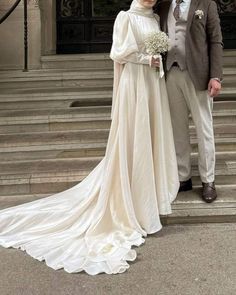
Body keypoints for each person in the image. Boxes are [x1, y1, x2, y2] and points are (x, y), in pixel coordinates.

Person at [0, 0, 179, 275]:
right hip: (135, 83)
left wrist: (156, 58)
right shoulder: (125, 17)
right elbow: (118, 52)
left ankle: (148, 193)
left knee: (151, 133)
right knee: (134, 134)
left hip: (152, 83)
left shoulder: (154, 19)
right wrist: (148, 58)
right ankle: (131, 201)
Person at [156, 0, 223, 203]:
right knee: (177, 129)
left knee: (204, 129)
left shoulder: (207, 4)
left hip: (199, 75)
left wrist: (216, 75)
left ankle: (208, 180)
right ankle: (183, 177)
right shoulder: (164, 5)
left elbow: (215, 40)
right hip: (171, 73)